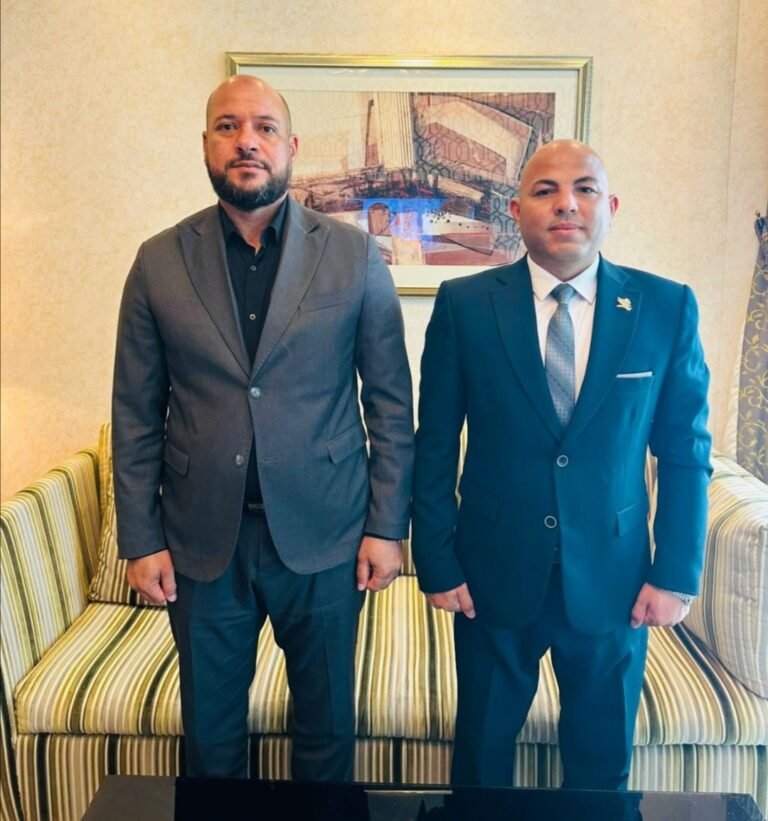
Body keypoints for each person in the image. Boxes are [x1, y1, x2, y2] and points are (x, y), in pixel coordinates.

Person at [112, 75, 414, 782]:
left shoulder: (354, 255)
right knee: (211, 745)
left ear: (291, 146)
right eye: (228, 126)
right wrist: (141, 537)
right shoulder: (158, 261)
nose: (246, 140)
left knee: (326, 738)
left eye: (264, 127)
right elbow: (135, 411)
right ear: (206, 145)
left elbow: (391, 404)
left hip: (327, 536)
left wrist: (385, 525)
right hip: (201, 542)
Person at [411, 140, 711, 790]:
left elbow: (686, 453)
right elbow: (433, 443)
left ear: (611, 207)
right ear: (515, 210)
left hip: (615, 581)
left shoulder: (665, 308)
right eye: (545, 190)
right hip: (491, 576)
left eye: (584, 189)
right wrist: (435, 558)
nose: (566, 204)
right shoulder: (465, 306)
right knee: (481, 765)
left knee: (600, 771)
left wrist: (676, 573)